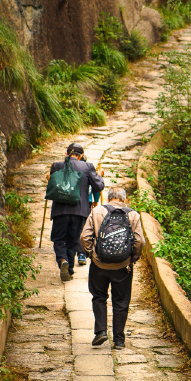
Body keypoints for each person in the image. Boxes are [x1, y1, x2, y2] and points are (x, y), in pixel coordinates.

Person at [80, 186, 144, 349]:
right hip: (123, 266)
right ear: (124, 199)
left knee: (99, 296)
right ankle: (119, 341)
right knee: (121, 301)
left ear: (108, 199)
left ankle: (101, 331)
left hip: (99, 265)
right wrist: (132, 258)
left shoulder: (96, 212)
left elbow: (85, 237)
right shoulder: (133, 215)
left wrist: (91, 254)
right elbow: (139, 241)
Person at [48, 143, 104, 282]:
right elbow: (98, 186)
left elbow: (52, 185)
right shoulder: (87, 167)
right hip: (79, 211)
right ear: (81, 156)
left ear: (66, 154)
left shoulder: (56, 166)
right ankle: (69, 270)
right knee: (73, 241)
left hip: (60, 211)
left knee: (59, 239)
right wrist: (99, 176)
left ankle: (62, 260)